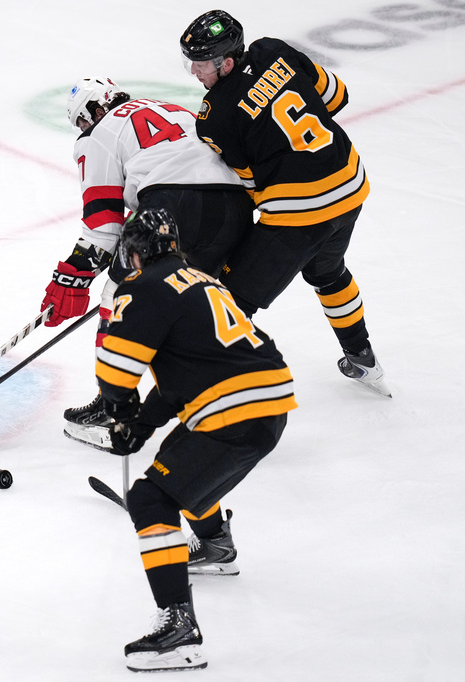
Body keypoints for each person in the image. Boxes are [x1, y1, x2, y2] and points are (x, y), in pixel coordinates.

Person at [96, 207, 297, 672]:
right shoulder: (203, 281)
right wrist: (142, 426)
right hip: (269, 404)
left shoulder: (142, 288)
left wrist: (121, 415)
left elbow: (115, 369)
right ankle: (214, 542)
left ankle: (178, 626)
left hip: (231, 411)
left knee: (150, 499)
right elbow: (178, 380)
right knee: (178, 466)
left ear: (135, 253)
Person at [179, 9, 390, 397]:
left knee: (230, 299)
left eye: (199, 63)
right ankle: (361, 355)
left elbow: (250, 186)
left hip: (300, 212)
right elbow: (337, 96)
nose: (193, 71)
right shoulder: (273, 50)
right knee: (327, 273)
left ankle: (224, 398)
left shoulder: (214, 117)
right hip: (350, 185)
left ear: (226, 63)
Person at [41, 77, 254, 452]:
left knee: (121, 296)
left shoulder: (100, 132)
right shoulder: (172, 110)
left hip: (173, 206)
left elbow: (103, 225)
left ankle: (114, 409)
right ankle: (226, 402)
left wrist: (70, 280)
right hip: (235, 209)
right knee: (194, 304)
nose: (82, 130)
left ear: (94, 109)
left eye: (80, 122)